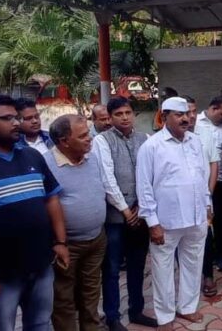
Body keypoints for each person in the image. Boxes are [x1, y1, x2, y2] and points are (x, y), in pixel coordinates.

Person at [0, 95, 69, 330]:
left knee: (41, 323)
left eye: (16, 117)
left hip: (40, 265)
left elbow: (51, 198)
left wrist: (60, 242)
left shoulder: (31, 156)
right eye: (7, 118)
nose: (16, 123)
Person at [137, 97, 211, 329]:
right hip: (165, 222)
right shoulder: (151, 146)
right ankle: (165, 316)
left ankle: (187, 307)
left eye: (187, 114)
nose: (186, 118)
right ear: (164, 116)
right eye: (179, 115)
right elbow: (144, 187)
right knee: (162, 270)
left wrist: (207, 204)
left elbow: (202, 175)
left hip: (196, 217)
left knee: (193, 264)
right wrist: (152, 223)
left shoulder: (195, 141)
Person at [92, 96, 156, 330]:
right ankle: (113, 317)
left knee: (137, 265)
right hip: (115, 218)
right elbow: (107, 179)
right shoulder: (102, 140)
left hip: (140, 213)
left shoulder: (145, 139)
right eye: (118, 114)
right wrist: (125, 210)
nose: (124, 117)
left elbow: (151, 174)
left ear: (133, 114)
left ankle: (136, 310)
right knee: (111, 268)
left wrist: (140, 206)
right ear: (110, 118)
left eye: (128, 112)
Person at [44, 115, 107, 331]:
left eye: (88, 133)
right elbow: (45, 206)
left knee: (91, 292)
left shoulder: (91, 158)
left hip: (96, 238)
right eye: (83, 136)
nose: (90, 138)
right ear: (64, 141)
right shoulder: (46, 164)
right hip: (66, 244)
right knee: (63, 297)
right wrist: (58, 242)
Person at [184, 95, 221, 297]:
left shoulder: (206, 131)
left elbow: (214, 163)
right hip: (181, 198)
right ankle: (188, 279)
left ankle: (208, 275)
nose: (191, 116)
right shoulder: (172, 136)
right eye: (186, 112)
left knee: (205, 235)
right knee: (183, 239)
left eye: (193, 111)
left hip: (204, 196)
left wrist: (209, 193)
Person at [196, 96, 222, 293]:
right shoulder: (196, 124)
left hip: (219, 181)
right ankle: (204, 265)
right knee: (204, 225)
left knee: (221, 220)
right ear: (213, 108)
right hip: (199, 183)